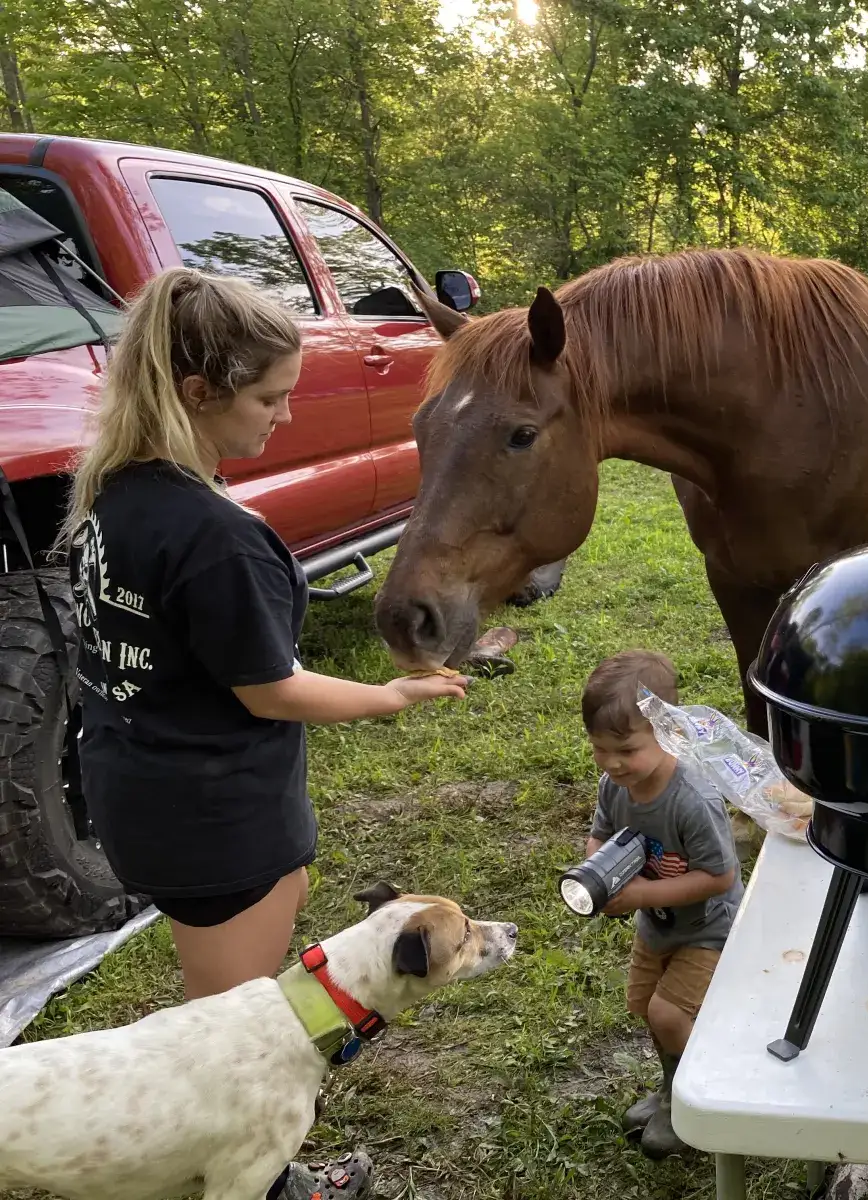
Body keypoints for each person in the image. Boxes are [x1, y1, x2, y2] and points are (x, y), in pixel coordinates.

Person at [62, 266, 468, 1200]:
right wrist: (391, 698)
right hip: (212, 812)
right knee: (237, 1031)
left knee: (237, 996)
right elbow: (270, 691)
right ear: (198, 393)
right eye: (267, 398)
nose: (280, 417)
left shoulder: (113, 492)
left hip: (144, 787)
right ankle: (255, 1174)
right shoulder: (213, 533)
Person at [581, 650, 744, 1159]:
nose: (611, 762)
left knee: (670, 1014)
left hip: (708, 928)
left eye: (625, 749)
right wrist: (599, 876)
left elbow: (721, 876)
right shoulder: (616, 786)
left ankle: (702, 1106)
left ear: (666, 732)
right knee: (645, 1008)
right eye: (599, 749)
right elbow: (599, 836)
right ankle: (674, 1089)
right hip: (658, 925)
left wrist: (640, 894)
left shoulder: (691, 800)